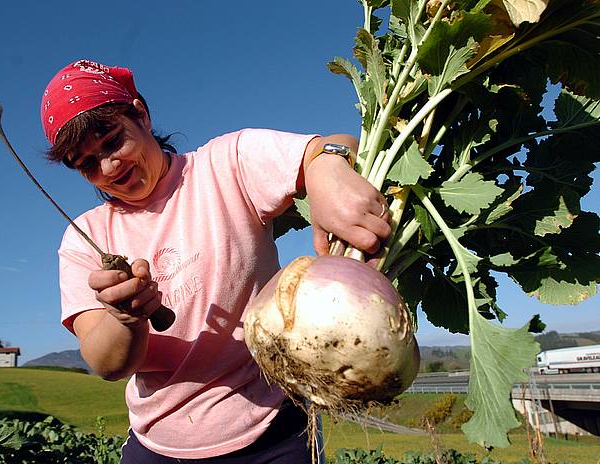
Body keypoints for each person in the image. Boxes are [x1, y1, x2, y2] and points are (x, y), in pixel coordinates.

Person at [41, 59, 391, 463]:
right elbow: (106, 363)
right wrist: (124, 318)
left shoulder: (226, 164)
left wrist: (327, 165)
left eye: (113, 141)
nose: (108, 167)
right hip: (160, 444)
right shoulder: (85, 238)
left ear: (140, 113)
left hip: (276, 431)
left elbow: (335, 144)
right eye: (87, 164)